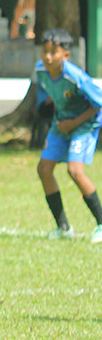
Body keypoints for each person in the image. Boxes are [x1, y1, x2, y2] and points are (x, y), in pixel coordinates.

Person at [33, 28, 102, 242]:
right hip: (61, 124)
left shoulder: (75, 77)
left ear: (66, 55)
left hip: (84, 124)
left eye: (53, 52)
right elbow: (54, 94)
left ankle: (101, 224)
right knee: (44, 169)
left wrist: (73, 122)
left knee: (75, 171)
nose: (47, 56)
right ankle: (64, 229)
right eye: (44, 51)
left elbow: (98, 104)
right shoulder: (41, 72)